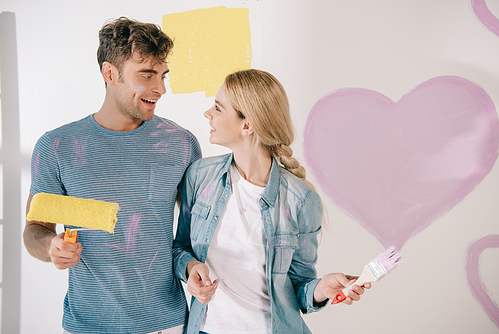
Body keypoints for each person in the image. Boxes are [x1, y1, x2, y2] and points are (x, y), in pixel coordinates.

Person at [23, 17, 201, 334]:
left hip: (167, 323)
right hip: (88, 324)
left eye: (162, 76)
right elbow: (34, 229)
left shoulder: (181, 144)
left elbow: (195, 235)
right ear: (110, 74)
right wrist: (51, 246)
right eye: (146, 75)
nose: (160, 88)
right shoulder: (56, 147)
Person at [173, 69, 370, 334]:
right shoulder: (199, 176)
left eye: (218, 108)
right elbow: (180, 247)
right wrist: (191, 267)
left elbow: (300, 286)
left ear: (247, 125)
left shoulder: (301, 199)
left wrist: (322, 288)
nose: (208, 113)